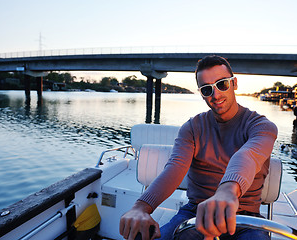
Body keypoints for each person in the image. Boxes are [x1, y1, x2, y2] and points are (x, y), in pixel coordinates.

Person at [119, 55, 278, 240]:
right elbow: (175, 168)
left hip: (245, 219)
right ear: (201, 93)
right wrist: (141, 207)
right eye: (207, 89)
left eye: (222, 84)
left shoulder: (261, 126)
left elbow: (247, 156)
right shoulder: (192, 128)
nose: (216, 94)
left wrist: (227, 192)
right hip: (194, 213)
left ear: (234, 83)